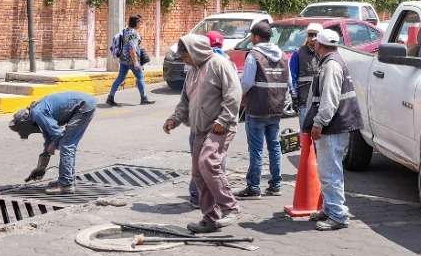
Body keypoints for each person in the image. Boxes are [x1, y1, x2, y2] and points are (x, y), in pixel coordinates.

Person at [164, 32, 241, 233]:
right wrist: (174, 119)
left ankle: (230, 208)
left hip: (220, 127)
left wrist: (223, 119)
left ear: (195, 51)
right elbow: (185, 101)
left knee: (209, 162)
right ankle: (210, 218)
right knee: (199, 174)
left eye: (185, 54)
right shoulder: (193, 71)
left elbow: (234, 94)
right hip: (200, 129)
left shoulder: (219, 64)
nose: (183, 58)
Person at [304, 28, 363, 229]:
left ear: (318, 45)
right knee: (328, 171)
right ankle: (330, 210)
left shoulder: (330, 65)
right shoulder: (335, 61)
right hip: (337, 125)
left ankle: (338, 215)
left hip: (332, 126)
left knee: (330, 173)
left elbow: (329, 99)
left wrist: (319, 122)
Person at [236, 20, 287, 198]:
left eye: (251, 36)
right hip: (276, 107)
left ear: (257, 37)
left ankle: (254, 187)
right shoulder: (282, 55)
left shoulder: (254, 55)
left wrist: (239, 96)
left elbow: (247, 82)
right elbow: (288, 83)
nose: (251, 39)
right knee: (274, 147)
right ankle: (276, 185)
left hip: (257, 108)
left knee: (256, 149)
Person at [10, 91, 97, 195]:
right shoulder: (36, 112)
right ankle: (67, 178)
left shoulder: (38, 114)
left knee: (66, 145)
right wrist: (41, 166)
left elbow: (58, 133)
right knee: (67, 144)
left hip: (83, 108)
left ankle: (66, 185)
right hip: (84, 105)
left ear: (26, 123)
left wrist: (53, 145)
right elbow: (49, 137)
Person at [106, 14, 154, 107]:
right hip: (131, 59)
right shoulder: (134, 33)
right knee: (140, 77)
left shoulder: (126, 30)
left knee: (120, 78)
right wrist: (135, 62)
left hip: (123, 58)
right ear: (136, 22)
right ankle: (144, 98)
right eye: (139, 22)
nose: (140, 24)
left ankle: (110, 97)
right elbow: (132, 48)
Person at [291, 23, 321, 111]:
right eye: (310, 35)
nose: (313, 38)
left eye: (316, 35)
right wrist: (294, 96)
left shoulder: (324, 54)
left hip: (321, 101)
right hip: (304, 101)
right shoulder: (298, 53)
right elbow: (293, 76)